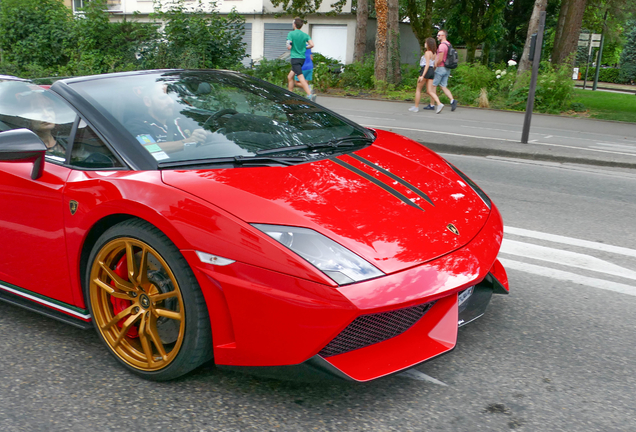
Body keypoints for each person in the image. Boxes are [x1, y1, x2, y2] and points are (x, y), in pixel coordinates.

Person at [126, 83, 207, 157]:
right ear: (148, 101)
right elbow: (148, 148)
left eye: (172, 97)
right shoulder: (138, 125)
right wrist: (187, 142)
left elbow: (206, 136)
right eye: (163, 97)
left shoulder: (182, 120)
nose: (171, 102)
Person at [409, 38, 441, 113]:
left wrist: (422, 75)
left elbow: (426, 65)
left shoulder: (427, 53)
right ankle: (439, 103)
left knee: (418, 89)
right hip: (432, 71)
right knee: (430, 90)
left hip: (425, 70)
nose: (425, 44)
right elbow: (435, 64)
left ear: (428, 44)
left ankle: (416, 107)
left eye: (425, 43)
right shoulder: (434, 53)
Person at [286, 17, 315, 101]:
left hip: (295, 59)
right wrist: (305, 47)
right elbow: (312, 45)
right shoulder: (305, 35)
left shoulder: (291, 34)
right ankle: (290, 93)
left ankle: (310, 95)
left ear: (294, 24)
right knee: (290, 76)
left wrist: (291, 46)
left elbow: (288, 46)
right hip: (302, 59)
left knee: (301, 78)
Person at [433, 29, 458, 113]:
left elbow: (440, 59)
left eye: (439, 35)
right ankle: (452, 100)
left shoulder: (442, 46)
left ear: (443, 36)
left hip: (441, 67)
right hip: (447, 68)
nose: (437, 37)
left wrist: (435, 66)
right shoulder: (449, 45)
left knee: (433, 86)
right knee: (443, 86)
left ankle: (435, 104)